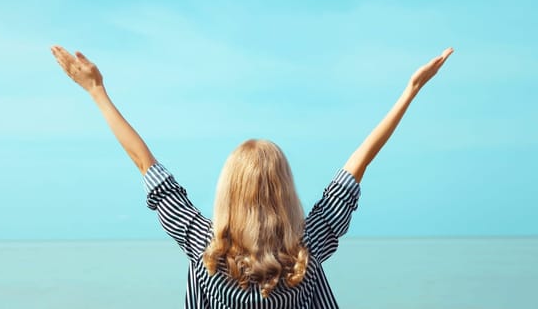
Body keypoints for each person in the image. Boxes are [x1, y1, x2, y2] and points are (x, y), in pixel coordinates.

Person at [50, 45, 454, 308]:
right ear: (285, 191)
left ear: (228, 191)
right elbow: (357, 167)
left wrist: (97, 91)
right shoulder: (305, 251)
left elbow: (146, 166)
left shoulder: (204, 249)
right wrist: (410, 91)